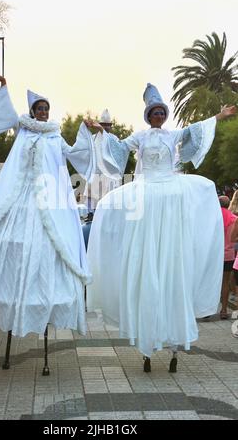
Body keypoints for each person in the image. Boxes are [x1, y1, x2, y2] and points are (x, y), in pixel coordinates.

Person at [87, 82, 237, 372]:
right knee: (114, 214)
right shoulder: (140, 136)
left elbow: (194, 129)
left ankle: (172, 337)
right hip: (146, 192)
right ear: (148, 115)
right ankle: (148, 336)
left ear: (164, 115)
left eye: (160, 112)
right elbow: (118, 148)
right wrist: (101, 130)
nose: (157, 116)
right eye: (153, 112)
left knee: (196, 205)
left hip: (169, 193)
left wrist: (219, 116)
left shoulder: (172, 135)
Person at [0, 71, 99, 337]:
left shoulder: (54, 136)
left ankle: (43, 306)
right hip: (19, 198)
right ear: (32, 111)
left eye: (45, 108)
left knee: (47, 247)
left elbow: (74, 153)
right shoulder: (23, 131)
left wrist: (87, 132)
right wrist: (6, 87)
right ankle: (8, 302)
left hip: (47, 201)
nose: (42, 112)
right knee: (9, 244)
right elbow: (8, 116)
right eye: (38, 108)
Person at [83, 109, 123, 212]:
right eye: (103, 124)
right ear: (99, 125)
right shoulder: (92, 138)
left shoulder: (114, 139)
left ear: (111, 126)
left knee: (109, 207)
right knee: (93, 207)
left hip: (109, 178)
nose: (106, 127)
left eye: (108, 124)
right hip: (95, 177)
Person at [219, 196, 237, 318]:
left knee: (212, 282)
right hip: (229, 255)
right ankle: (224, 310)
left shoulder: (213, 217)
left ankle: (207, 310)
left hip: (214, 255)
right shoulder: (234, 218)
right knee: (225, 283)